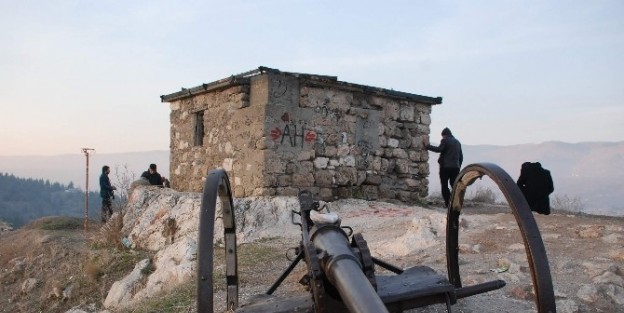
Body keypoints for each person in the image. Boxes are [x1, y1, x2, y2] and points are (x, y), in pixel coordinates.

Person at [424, 127, 463, 208]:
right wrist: (458, 166)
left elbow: (439, 149)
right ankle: (457, 203)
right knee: (455, 185)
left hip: (445, 167)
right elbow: (461, 157)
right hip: (455, 167)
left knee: (444, 186)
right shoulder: (458, 142)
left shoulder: (445, 140)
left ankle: (448, 204)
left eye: (442, 136)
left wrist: (427, 146)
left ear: (444, 135)